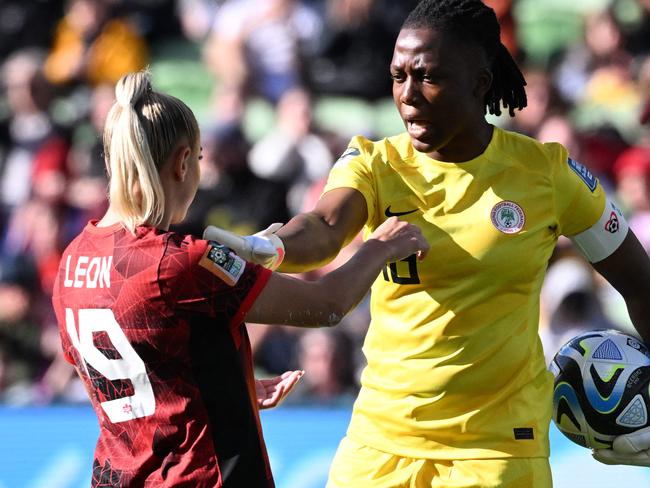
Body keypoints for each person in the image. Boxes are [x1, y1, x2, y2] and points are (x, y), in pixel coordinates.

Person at [204, 0, 650, 485]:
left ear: (480, 83)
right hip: (379, 443)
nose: (408, 95)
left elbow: (639, 281)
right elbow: (325, 227)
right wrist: (272, 245)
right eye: (398, 77)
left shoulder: (546, 174)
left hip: (496, 451)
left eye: (428, 77)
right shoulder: (375, 161)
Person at [51, 71, 428, 487]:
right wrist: (381, 246)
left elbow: (132, 378)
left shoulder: (73, 260)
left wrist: (232, 386)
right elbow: (326, 304)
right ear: (182, 163)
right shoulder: (179, 262)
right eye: (197, 158)